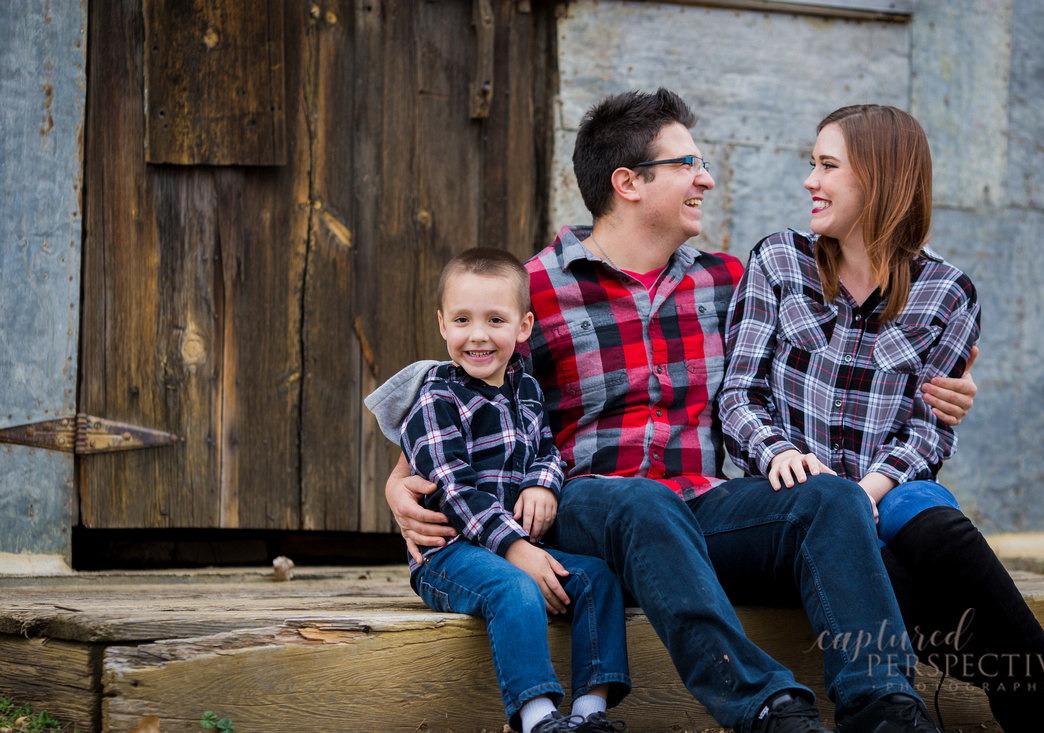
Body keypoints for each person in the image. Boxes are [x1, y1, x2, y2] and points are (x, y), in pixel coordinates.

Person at [384, 89, 979, 733]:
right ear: (629, 183)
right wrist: (398, 478)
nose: (707, 177)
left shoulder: (728, 280)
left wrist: (943, 382)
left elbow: (839, 345)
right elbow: (463, 396)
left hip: (701, 508)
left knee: (828, 497)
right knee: (644, 501)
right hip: (585, 510)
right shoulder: (537, 291)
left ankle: (886, 705)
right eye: (688, 163)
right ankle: (767, 707)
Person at [719, 104, 1044, 732]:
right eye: (811, 164)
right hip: (796, 499)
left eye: (827, 166)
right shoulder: (779, 262)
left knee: (937, 528)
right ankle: (1042, 695)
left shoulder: (947, 292)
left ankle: (1039, 695)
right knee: (890, 570)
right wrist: (780, 455)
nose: (809, 181)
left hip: (890, 492)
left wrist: (867, 490)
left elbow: (929, 430)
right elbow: (738, 396)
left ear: (882, 177)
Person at [372, 248, 631, 733]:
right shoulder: (435, 399)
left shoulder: (526, 390)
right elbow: (454, 490)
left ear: (524, 326)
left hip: (516, 546)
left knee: (597, 578)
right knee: (514, 589)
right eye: (462, 320)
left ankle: (589, 715)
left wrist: (542, 486)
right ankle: (537, 718)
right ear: (443, 325)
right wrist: (516, 549)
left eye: (495, 320)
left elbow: (548, 453)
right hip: (449, 556)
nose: (478, 336)